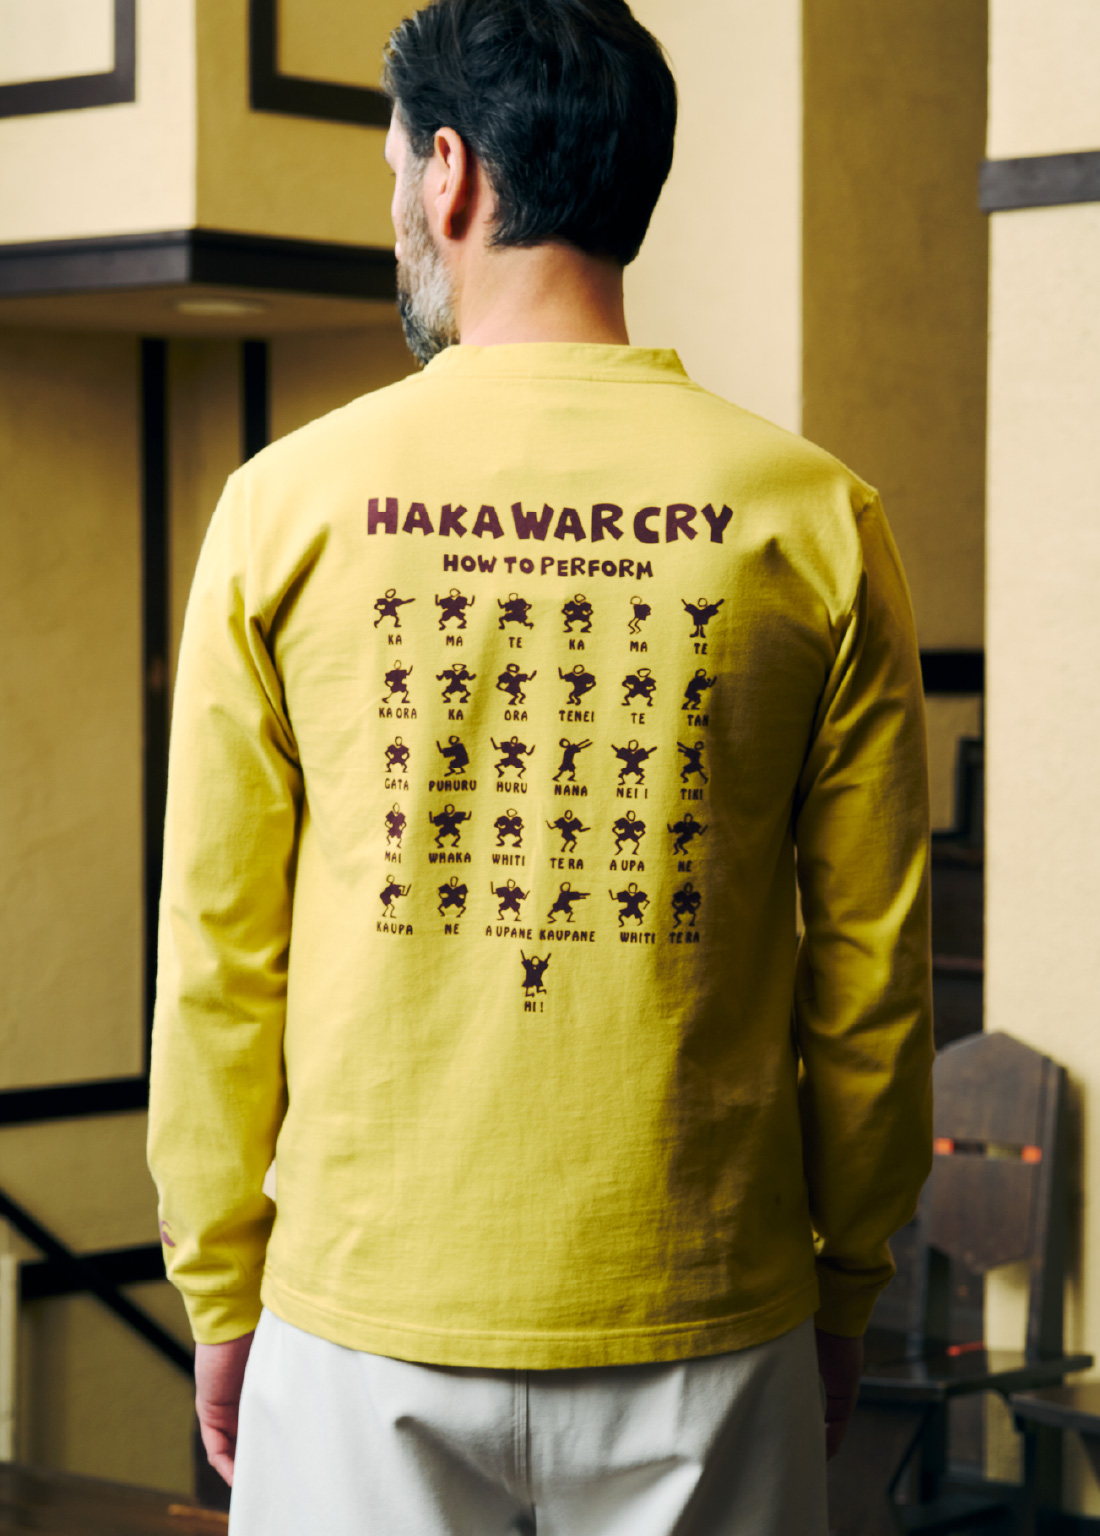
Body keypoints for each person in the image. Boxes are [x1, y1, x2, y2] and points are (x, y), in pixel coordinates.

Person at [147, 1, 933, 1532]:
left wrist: (219, 1284)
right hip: (710, 1311)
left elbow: (218, 955)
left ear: (450, 173)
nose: (396, 199)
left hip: (363, 1312)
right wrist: (848, 1283)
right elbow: (871, 974)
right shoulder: (815, 516)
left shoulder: (283, 506)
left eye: (395, 165)